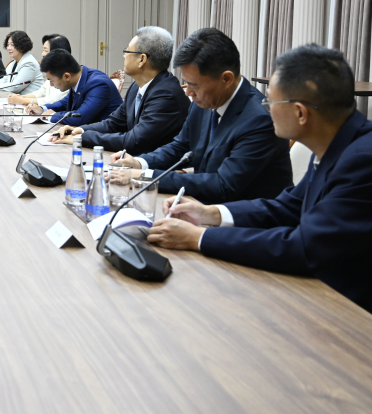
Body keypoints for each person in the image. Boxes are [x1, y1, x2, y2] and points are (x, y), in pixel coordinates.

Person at [148, 45, 372, 313]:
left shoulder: (363, 160)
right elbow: (288, 207)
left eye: (271, 103)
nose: (266, 109)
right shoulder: (338, 144)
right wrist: (210, 213)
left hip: (349, 312)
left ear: (300, 113)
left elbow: (306, 247)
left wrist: (198, 237)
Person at [114, 27, 292, 201]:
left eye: (194, 85)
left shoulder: (259, 119)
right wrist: (139, 163)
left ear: (226, 79)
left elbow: (223, 185)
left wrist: (145, 176)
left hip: (241, 215)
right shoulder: (205, 102)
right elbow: (180, 146)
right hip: (201, 205)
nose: (187, 92)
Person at [51, 26, 189, 154]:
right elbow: (113, 124)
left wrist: (82, 138)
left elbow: (133, 141)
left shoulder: (165, 95)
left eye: (127, 51)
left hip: (156, 166)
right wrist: (79, 130)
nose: (124, 56)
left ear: (141, 59)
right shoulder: (136, 87)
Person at [29, 49, 123, 126]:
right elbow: (64, 103)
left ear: (66, 76)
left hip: (107, 139)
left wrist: (53, 115)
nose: (51, 85)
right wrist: (42, 109)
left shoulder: (98, 84)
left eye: (52, 80)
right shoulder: (78, 78)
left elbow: (80, 117)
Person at [8, 35, 71, 108]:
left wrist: (22, 100)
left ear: (58, 53)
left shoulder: (66, 75)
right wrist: (21, 97)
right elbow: (41, 92)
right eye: (43, 50)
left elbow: (50, 101)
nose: (42, 54)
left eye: (46, 51)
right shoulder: (53, 71)